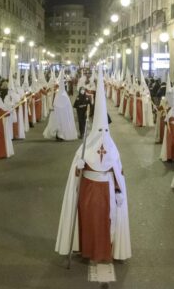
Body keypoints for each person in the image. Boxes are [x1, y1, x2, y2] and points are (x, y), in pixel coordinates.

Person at [55, 67, 131, 263]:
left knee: (106, 221)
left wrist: (119, 192)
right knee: (89, 221)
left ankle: (106, 250)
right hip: (88, 190)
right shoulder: (85, 148)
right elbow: (75, 176)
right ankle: (87, 249)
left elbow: (118, 173)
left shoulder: (112, 149)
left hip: (107, 190)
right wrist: (79, 166)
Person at [44, 69, 78, 141]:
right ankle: (58, 135)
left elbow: (64, 105)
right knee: (58, 125)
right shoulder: (61, 95)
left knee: (60, 125)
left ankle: (60, 136)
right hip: (58, 113)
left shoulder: (63, 95)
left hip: (61, 114)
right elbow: (57, 104)